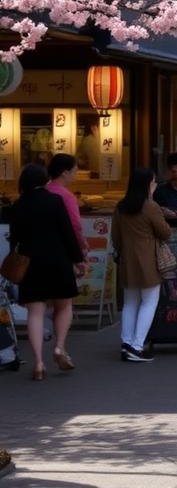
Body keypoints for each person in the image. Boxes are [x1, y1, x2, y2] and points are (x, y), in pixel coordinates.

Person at [8, 163, 84, 381]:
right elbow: (67, 232)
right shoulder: (55, 200)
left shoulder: (18, 205)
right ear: (44, 181)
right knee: (64, 305)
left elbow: (15, 239)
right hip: (58, 260)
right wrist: (78, 259)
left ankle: (39, 363)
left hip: (30, 263)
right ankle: (59, 348)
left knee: (36, 312)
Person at [112, 167, 172, 362]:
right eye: (153, 181)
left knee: (130, 303)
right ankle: (137, 346)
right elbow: (165, 232)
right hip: (149, 261)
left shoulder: (120, 206)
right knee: (149, 302)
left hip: (127, 260)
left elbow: (116, 237)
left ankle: (126, 343)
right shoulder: (150, 206)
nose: (155, 185)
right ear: (148, 184)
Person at [45, 153, 89, 256]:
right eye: (75, 171)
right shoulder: (67, 196)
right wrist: (82, 243)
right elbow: (75, 225)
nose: (76, 175)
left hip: (43, 246)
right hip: (62, 248)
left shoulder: (44, 189)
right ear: (65, 173)